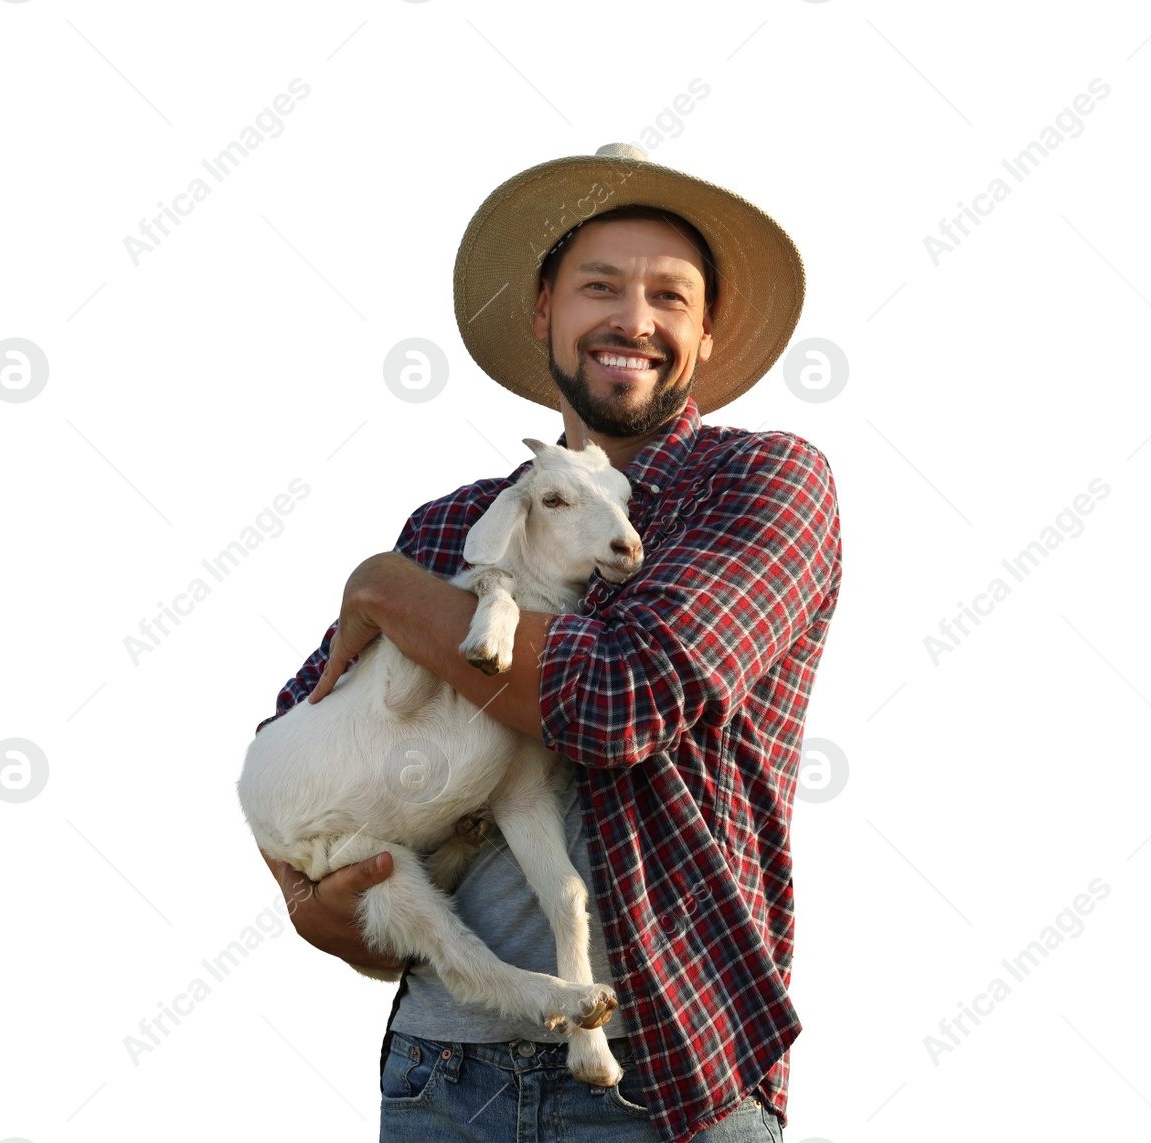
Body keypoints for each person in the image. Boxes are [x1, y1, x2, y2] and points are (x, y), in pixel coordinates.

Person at [254, 142, 842, 1143]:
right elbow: (302, 731)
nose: (634, 319)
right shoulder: (449, 525)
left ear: (703, 335)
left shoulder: (763, 483)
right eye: (599, 286)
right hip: (443, 1074)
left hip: (667, 1084)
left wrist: (385, 590)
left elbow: (620, 701)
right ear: (544, 315)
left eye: (669, 296)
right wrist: (314, 901)